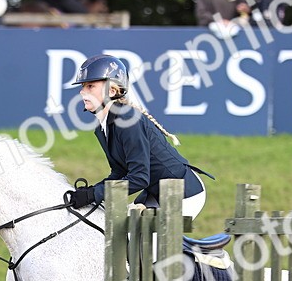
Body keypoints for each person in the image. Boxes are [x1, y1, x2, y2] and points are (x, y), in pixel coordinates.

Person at [67, 55, 209, 221]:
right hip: (155, 192)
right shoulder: (102, 128)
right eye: (83, 86)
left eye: (90, 86)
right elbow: (120, 172)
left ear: (112, 91)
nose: (82, 91)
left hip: (184, 194)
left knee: (141, 240)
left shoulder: (127, 121)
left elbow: (139, 178)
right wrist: (92, 191)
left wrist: (95, 194)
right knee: (121, 232)